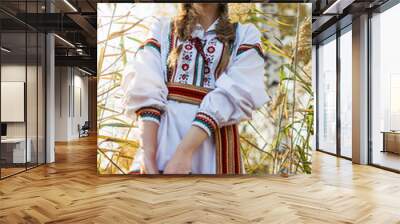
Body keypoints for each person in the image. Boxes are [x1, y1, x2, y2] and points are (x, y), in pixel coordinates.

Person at [123, 3, 267, 174]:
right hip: (161, 141)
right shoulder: (162, 29)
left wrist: (184, 152)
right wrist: (148, 156)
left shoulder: (244, 35)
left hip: (212, 148)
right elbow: (144, 82)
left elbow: (238, 91)